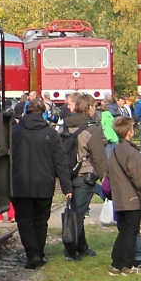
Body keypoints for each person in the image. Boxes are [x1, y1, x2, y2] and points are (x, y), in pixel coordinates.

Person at [11, 98, 73, 269]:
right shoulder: (51, 134)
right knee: (40, 220)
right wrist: (67, 187)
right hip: (44, 184)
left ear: (26, 111)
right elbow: (60, 161)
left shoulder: (15, 132)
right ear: (43, 113)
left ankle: (32, 254)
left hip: (20, 183)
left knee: (24, 219)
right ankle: (39, 252)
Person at [62, 92, 106, 261]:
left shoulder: (66, 125)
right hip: (84, 174)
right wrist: (105, 178)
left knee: (75, 212)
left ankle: (82, 247)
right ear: (89, 108)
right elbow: (99, 157)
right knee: (78, 215)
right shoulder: (91, 129)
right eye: (94, 106)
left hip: (68, 173)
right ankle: (71, 251)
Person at [105, 115, 141, 275]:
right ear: (129, 132)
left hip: (119, 198)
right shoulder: (132, 152)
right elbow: (139, 178)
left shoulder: (114, 151)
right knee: (131, 231)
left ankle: (116, 264)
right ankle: (127, 265)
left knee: (123, 231)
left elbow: (109, 175)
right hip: (132, 198)